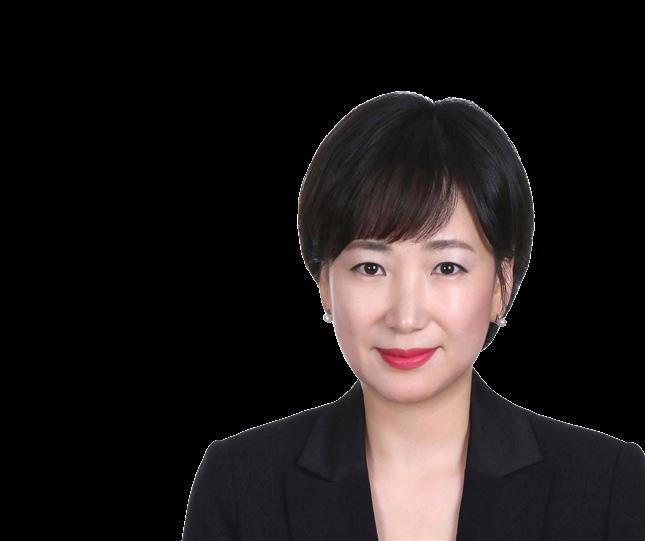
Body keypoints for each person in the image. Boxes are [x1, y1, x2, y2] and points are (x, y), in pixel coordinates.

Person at [182, 91, 645, 540]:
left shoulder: (608, 486)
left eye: (446, 267)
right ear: (324, 282)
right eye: (371, 268)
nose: (405, 318)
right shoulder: (240, 487)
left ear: (500, 285)